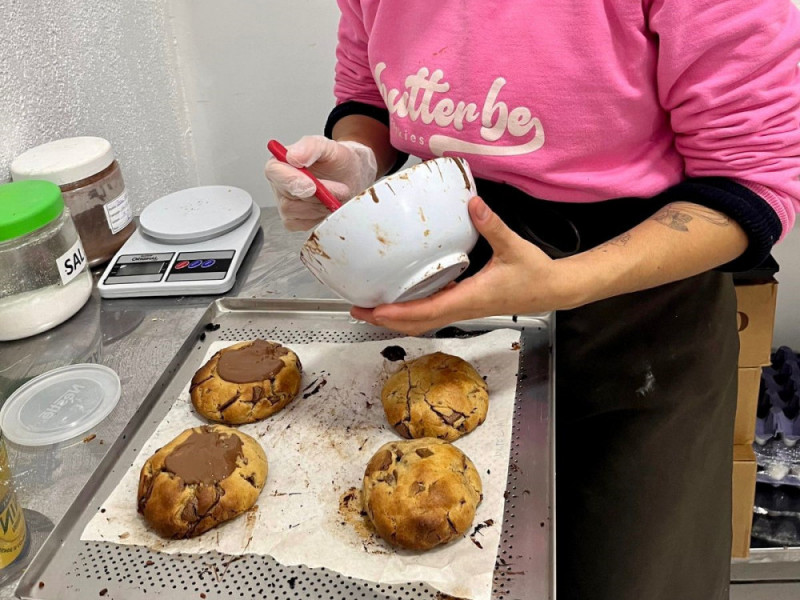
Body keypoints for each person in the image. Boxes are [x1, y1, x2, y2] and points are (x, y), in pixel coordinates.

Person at [264, 1, 800, 598]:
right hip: (447, 275)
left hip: (638, 315)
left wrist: (566, 283)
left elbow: (753, 184)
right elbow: (367, 96)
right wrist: (358, 162)